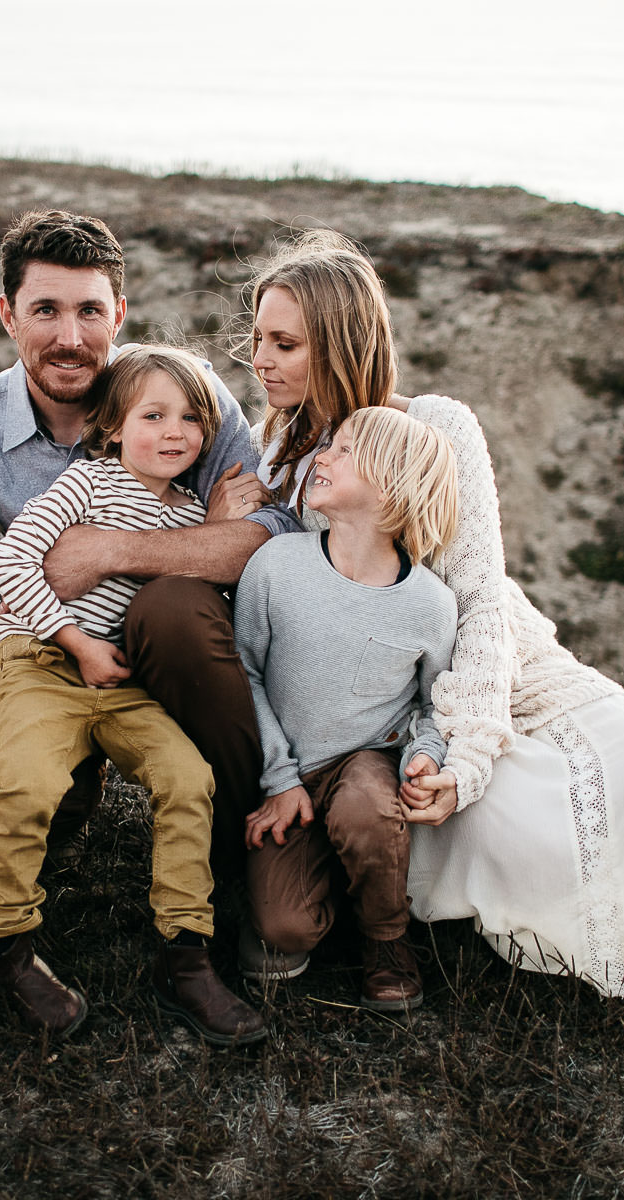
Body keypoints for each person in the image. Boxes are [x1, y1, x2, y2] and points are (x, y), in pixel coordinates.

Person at [245, 229, 624, 997]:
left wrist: (469, 754)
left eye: (284, 343)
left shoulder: (439, 426)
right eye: (258, 338)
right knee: (494, 818)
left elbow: (483, 602)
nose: (260, 360)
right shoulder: (281, 459)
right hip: (383, 700)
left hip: (495, 659)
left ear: (340, 344)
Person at [0, 209, 277, 885]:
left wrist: (108, 551)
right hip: (29, 656)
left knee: (176, 608)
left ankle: (244, 835)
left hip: (160, 646)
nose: (70, 338)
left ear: (120, 313)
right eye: (45, 310)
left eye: (90, 312)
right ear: (8, 314)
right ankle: (70, 793)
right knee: (10, 811)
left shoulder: (183, 398)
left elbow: (263, 541)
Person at [0, 345, 267, 1044]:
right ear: (110, 428)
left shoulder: (189, 512)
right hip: (43, 661)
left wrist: (216, 529)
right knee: (24, 783)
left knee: (186, 778)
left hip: (118, 681)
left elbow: (208, 592)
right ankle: (6, 947)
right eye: (154, 415)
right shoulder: (84, 484)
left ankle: (185, 956)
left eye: (192, 418)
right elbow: (9, 563)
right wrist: (76, 643)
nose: (176, 432)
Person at [236, 406, 459, 1013]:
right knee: (280, 938)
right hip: (284, 771)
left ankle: (386, 939)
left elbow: (431, 706)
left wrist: (423, 756)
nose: (322, 457)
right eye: (325, 447)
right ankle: (332, 876)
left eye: (343, 450)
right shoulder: (277, 566)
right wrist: (280, 777)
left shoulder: (430, 605)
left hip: (364, 760)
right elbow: (244, 672)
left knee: (365, 804)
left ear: (392, 484)